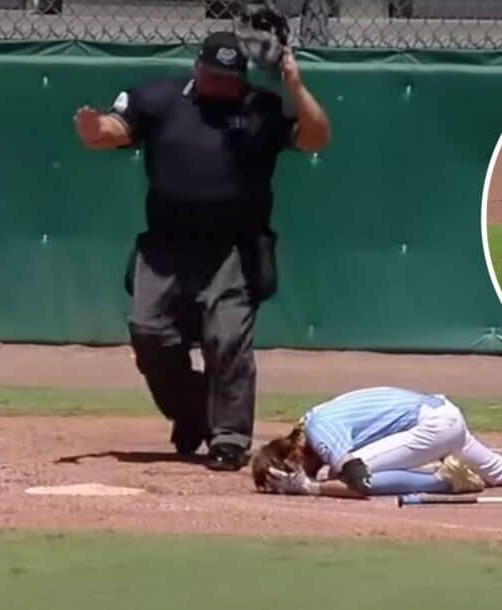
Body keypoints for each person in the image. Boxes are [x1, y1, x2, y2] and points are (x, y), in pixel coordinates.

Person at [74, 31, 330, 471]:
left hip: (234, 249)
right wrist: (96, 128)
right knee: (148, 333)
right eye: (212, 75)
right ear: (197, 69)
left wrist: (296, 85)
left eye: (229, 78)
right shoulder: (160, 99)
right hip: (166, 246)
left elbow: (315, 138)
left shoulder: (259, 109)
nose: (220, 85)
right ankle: (193, 412)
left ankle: (229, 437)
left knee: (227, 341)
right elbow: (116, 130)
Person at [250, 387, 502, 498]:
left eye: (287, 475)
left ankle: (445, 482)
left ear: (292, 455)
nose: (295, 478)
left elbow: (357, 479)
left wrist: (314, 488)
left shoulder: (318, 430)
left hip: (432, 426)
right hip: (442, 416)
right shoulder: (317, 419)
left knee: (352, 476)